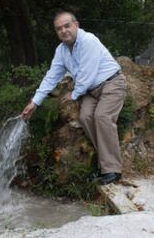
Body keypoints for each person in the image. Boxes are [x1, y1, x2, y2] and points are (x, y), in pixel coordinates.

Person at [22, 11, 127, 185]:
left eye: (67, 26)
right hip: (91, 91)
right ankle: (105, 163)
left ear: (76, 25)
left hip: (112, 83)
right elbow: (51, 77)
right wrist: (34, 102)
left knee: (102, 117)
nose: (63, 31)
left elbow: (87, 74)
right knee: (85, 118)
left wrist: (74, 94)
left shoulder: (89, 41)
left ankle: (112, 170)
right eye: (59, 29)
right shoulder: (61, 51)